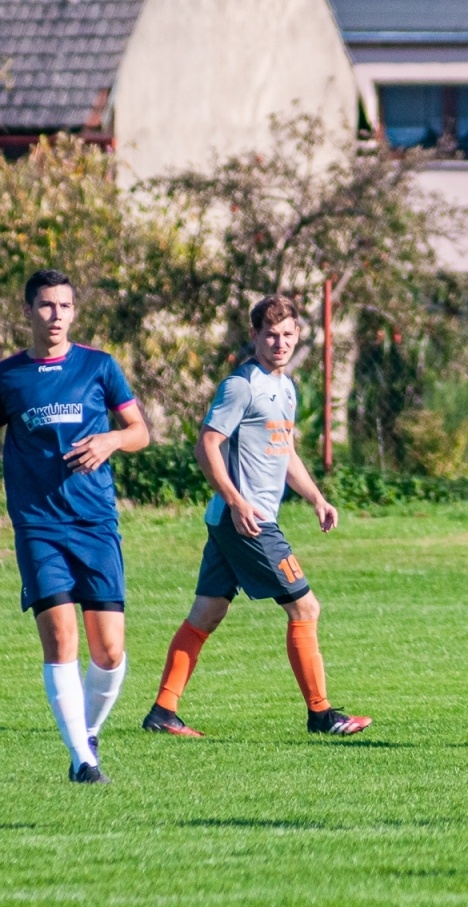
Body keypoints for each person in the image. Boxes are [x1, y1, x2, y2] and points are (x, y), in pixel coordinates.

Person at [0, 268, 149, 784]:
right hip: (38, 525)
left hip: (95, 523)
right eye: (46, 305)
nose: (56, 315)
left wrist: (112, 440)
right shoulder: (7, 377)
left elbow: (139, 431)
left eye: (64, 306)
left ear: (74, 312)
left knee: (110, 652)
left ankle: (86, 734)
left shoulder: (99, 366)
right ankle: (83, 761)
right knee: (61, 638)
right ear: (28, 311)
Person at [143, 295, 369, 738]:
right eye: (270, 335)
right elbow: (206, 446)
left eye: (287, 335)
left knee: (207, 613)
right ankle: (322, 715)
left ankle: (163, 711)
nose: (279, 343)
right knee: (305, 606)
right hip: (248, 521)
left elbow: (284, 452)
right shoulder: (241, 386)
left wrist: (317, 498)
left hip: (231, 520)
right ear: (254, 336)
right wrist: (236, 501)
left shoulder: (286, 388)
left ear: (298, 335)